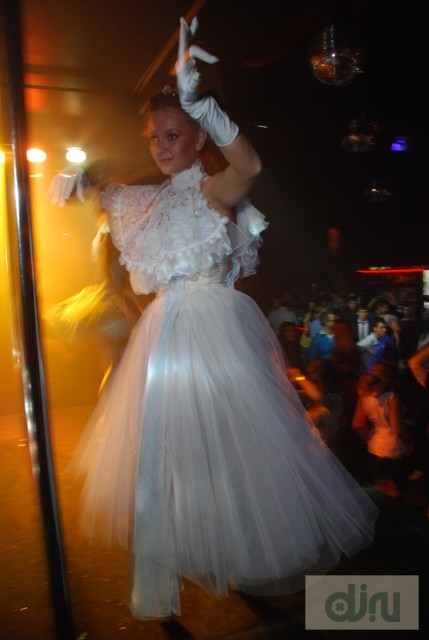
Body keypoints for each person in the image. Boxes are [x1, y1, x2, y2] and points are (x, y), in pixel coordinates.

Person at [56, 17, 378, 620]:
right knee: (163, 455)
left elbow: (249, 167)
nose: (160, 145)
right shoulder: (148, 201)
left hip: (213, 331)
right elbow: (107, 192)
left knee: (230, 449)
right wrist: (81, 181)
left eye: (173, 134)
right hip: (163, 336)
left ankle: (244, 552)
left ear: (198, 137)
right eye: (154, 137)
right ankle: (162, 579)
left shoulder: (212, 191)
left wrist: (205, 105)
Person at [352, 370, 412, 496]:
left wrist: (369, 440)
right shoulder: (391, 397)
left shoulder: (363, 397)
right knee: (396, 487)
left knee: (379, 487)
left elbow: (357, 425)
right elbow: (397, 428)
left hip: (375, 447)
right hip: (393, 447)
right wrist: (408, 443)